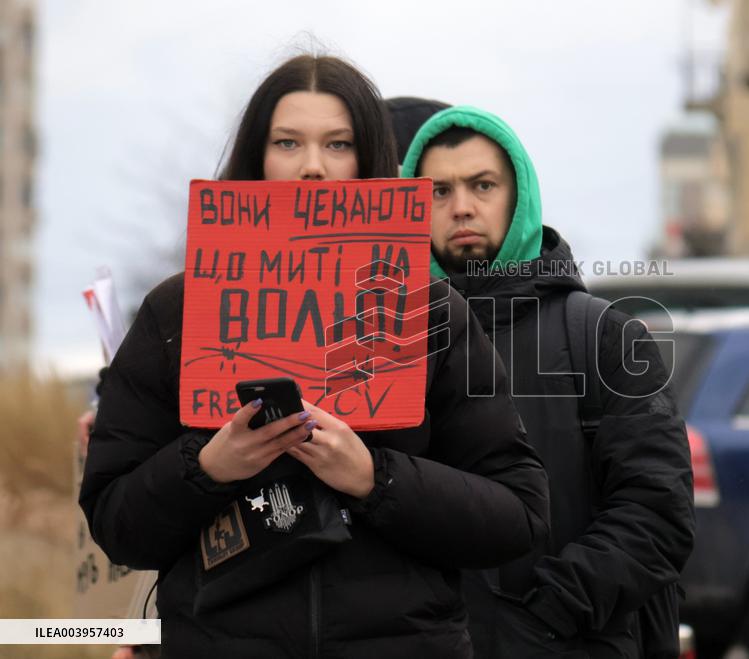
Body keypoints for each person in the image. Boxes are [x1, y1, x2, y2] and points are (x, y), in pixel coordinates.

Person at [80, 57, 549, 659]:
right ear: (257, 157)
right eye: (287, 142)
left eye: (337, 144)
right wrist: (209, 465)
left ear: (368, 159)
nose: (312, 166)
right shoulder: (176, 312)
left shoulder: (431, 312)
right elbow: (117, 528)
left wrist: (374, 478)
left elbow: (517, 517)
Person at [400, 106, 695, 658]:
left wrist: (549, 613)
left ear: (519, 197)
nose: (461, 207)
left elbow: (658, 510)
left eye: (482, 185)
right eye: (438, 191)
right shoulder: (386, 342)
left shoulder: (603, 335)